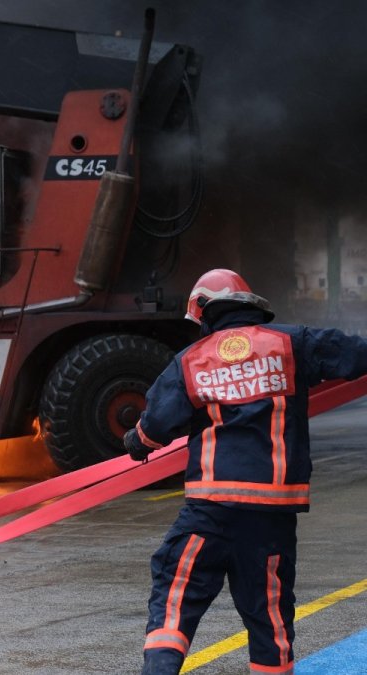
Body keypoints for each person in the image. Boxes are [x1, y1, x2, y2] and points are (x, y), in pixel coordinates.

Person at [124, 269, 367, 675]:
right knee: (269, 616)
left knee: (175, 595)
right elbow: (355, 353)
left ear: (204, 310)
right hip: (271, 517)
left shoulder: (191, 360)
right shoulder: (293, 344)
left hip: (210, 511)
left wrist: (135, 443)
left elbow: (154, 428)